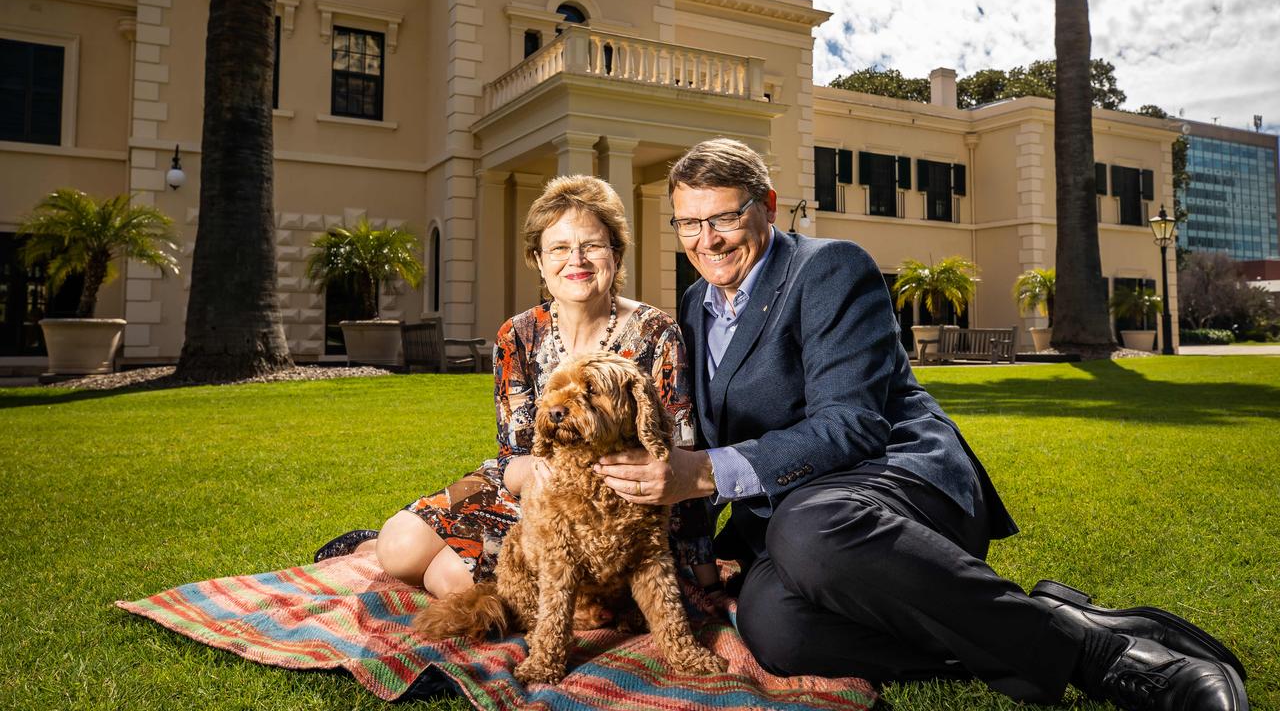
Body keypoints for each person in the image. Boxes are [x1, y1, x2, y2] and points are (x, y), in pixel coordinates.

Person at [592, 138, 1248, 710]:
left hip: (896, 489)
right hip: (797, 530)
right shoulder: (693, 305)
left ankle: (1105, 659)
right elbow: (699, 432)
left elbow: (850, 425)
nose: (706, 241)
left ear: (766, 203)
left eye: (724, 217)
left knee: (809, 527)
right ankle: (1039, 623)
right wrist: (703, 550)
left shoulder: (828, 268)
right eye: (688, 224)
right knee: (778, 631)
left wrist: (703, 475)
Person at [315, 175, 718, 603]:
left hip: (611, 510)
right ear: (539, 261)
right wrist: (543, 476)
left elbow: (677, 455)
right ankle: (369, 546)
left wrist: (703, 567)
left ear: (616, 255)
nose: (576, 260)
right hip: (530, 488)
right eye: (559, 248)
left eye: (593, 246)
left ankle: (446, 564)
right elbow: (513, 456)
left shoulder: (657, 333)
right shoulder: (517, 336)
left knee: (451, 582)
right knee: (399, 548)